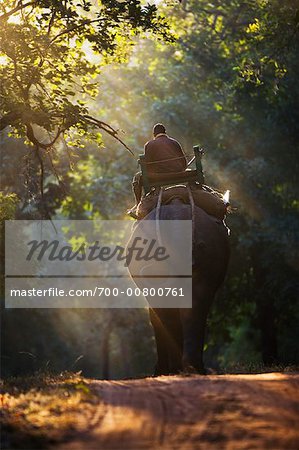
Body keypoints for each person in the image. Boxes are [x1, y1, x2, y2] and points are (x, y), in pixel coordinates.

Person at [131, 123, 187, 211]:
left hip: (159, 175)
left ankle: (137, 205)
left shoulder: (150, 144)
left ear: (154, 134)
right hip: (178, 172)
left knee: (137, 177)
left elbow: (147, 167)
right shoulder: (175, 142)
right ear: (165, 132)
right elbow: (184, 163)